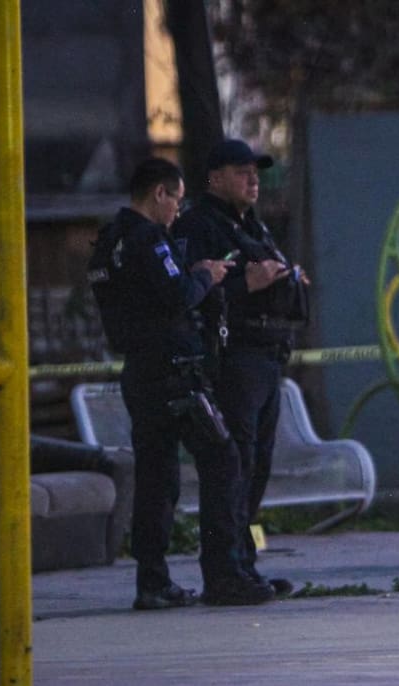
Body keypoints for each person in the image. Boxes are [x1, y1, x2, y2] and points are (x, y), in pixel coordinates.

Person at [87, 156, 275, 609]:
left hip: (140, 373)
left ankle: (152, 581)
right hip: (175, 374)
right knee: (224, 460)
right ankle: (225, 573)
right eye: (176, 199)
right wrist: (204, 275)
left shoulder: (107, 241)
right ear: (160, 194)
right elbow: (176, 298)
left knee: (157, 479)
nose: (178, 210)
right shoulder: (149, 239)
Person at [172, 139, 309, 595]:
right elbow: (187, 299)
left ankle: (244, 564)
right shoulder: (198, 226)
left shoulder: (253, 225)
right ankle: (223, 572)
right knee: (232, 465)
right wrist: (244, 286)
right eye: (241, 171)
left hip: (267, 355)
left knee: (256, 466)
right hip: (233, 359)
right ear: (214, 178)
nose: (253, 180)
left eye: (255, 171)